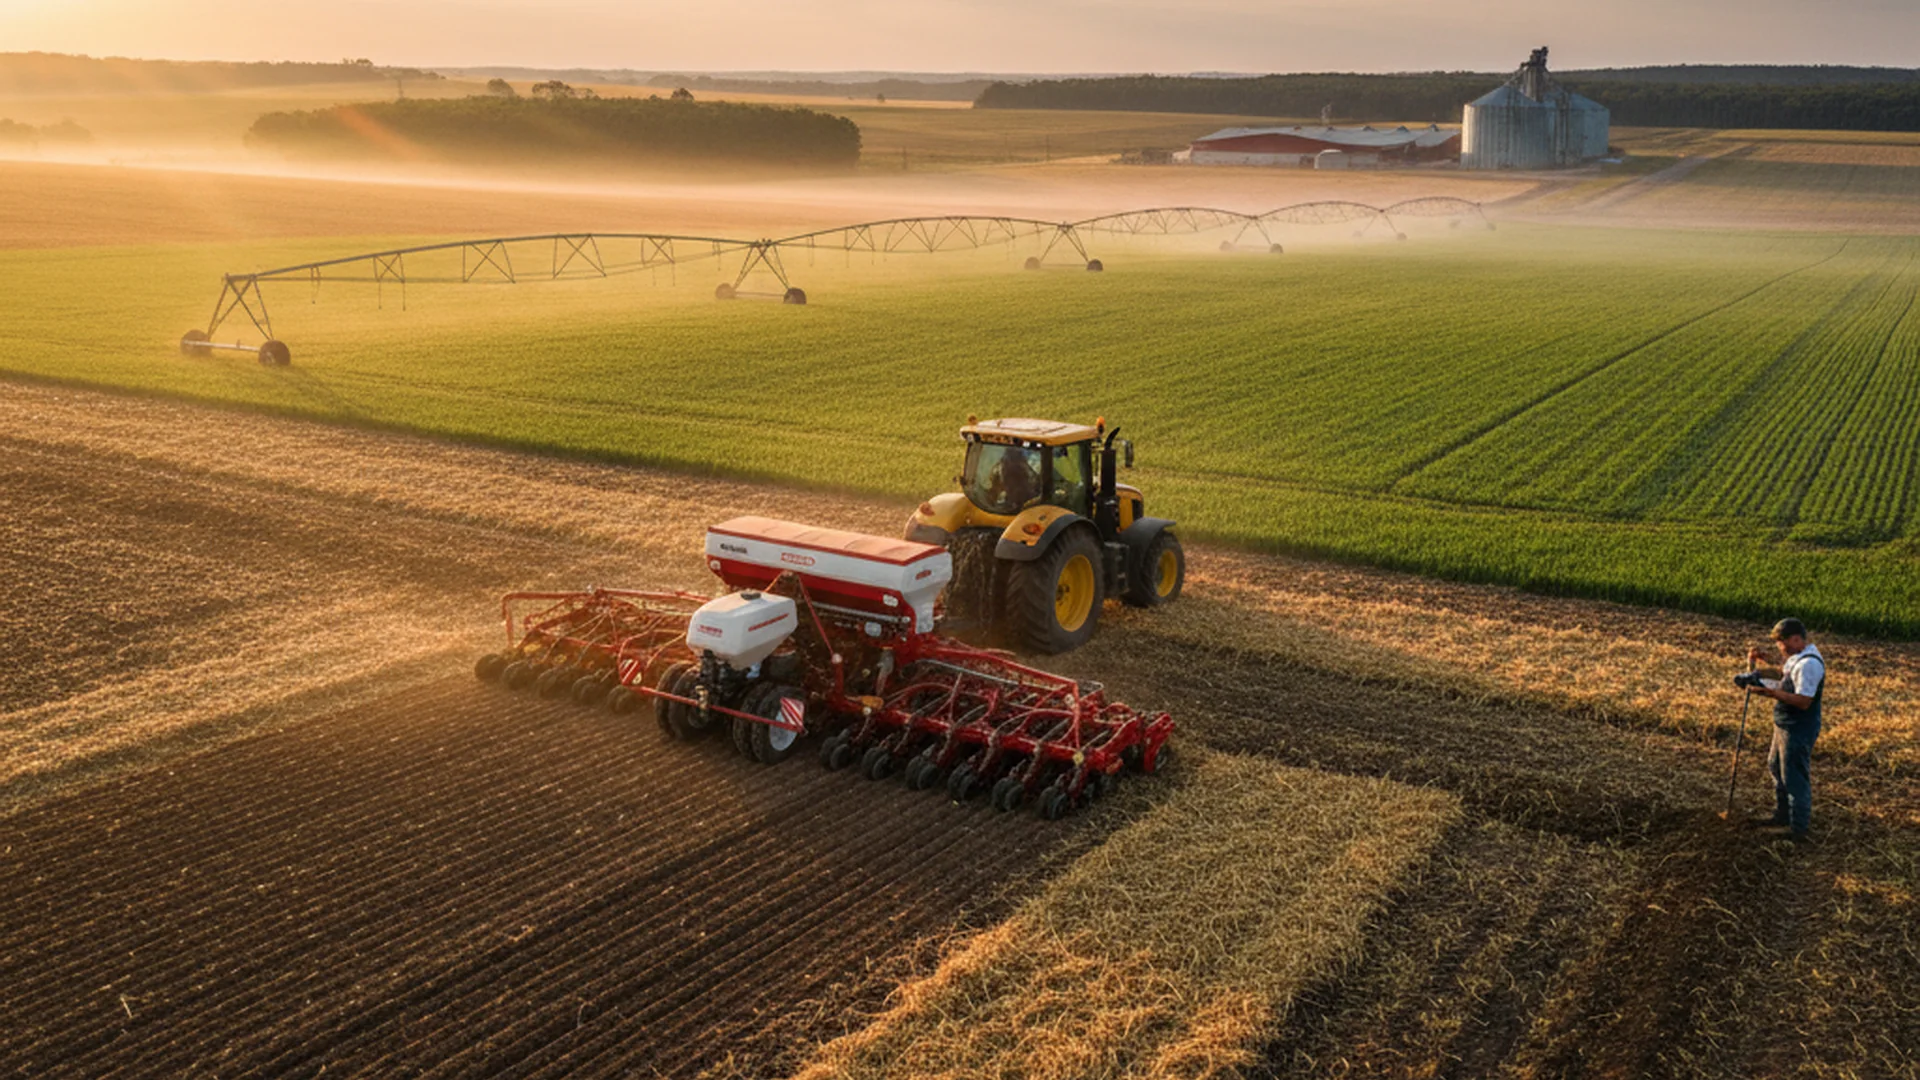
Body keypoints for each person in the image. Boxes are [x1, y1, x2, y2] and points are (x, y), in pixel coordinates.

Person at [1744, 617, 1826, 843]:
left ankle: (1797, 829)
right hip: (1784, 723)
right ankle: (1782, 816)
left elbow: (1803, 701)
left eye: (1782, 643)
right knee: (1776, 767)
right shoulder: (1796, 657)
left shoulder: (1809, 665)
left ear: (1797, 639)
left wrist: (1771, 693)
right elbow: (1784, 675)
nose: (1780, 647)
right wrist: (1759, 664)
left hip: (1798, 727)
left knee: (1793, 776)